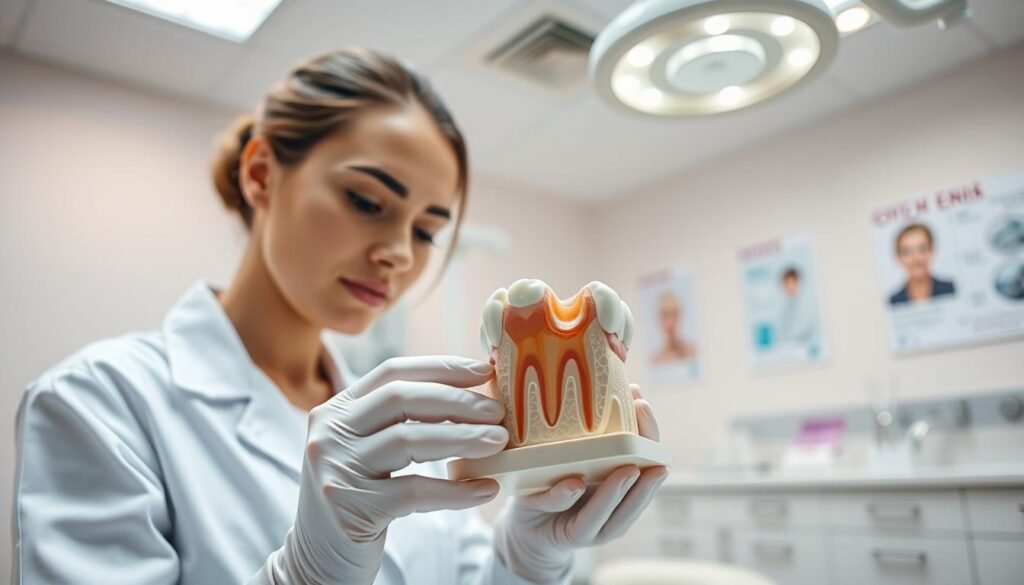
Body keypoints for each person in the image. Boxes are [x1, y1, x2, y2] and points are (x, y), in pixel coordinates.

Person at [12, 49, 667, 585]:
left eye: (426, 231)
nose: (398, 254)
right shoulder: (100, 403)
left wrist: (528, 559)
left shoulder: (412, 420)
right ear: (262, 174)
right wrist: (305, 576)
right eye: (367, 200)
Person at [889, 223, 956, 306]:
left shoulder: (951, 289)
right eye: (907, 252)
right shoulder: (893, 301)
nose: (916, 258)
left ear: (932, 251)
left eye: (922, 249)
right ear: (898, 258)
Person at [775, 267, 820, 346]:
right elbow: (781, 335)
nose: (789, 287)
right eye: (786, 284)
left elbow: (812, 332)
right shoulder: (783, 309)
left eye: (792, 283)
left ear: (798, 282)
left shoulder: (809, 305)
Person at [650, 291, 697, 364]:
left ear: (680, 317)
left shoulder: (692, 352)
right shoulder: (656, 360)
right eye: (665, 315)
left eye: (674, 314)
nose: (670, 323)